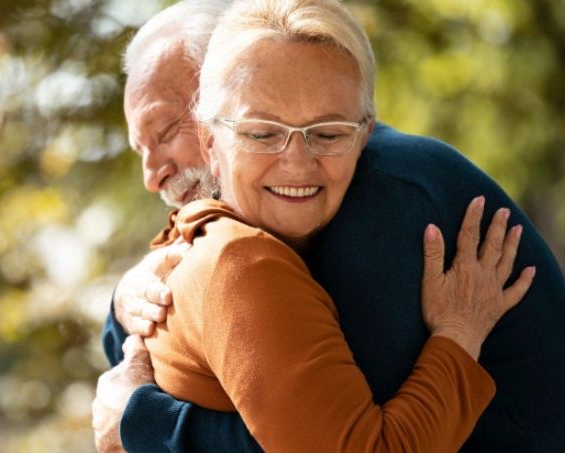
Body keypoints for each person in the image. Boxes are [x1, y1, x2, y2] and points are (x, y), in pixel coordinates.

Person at [96, 0, 565, 452]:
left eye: (163, 132)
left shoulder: (381, 204)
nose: (151, 174)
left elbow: (341, 436)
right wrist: (126, 300)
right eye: (263, 132)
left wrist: (146, 424)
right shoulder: (232, 235)